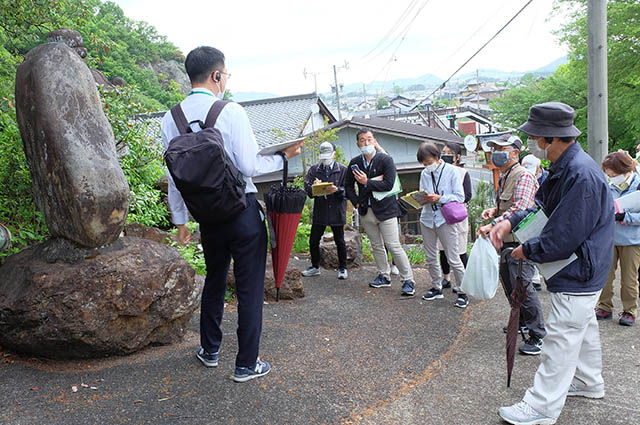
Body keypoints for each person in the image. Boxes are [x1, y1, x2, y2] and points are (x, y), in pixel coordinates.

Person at [161, 46, 302, 382]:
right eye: (226, 75)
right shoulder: (230, 111)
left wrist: (180, 221)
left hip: (207, 218)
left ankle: (209, 350)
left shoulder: (171, 118)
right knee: (249, 288)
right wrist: (284, 157)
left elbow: (173, 177)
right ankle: (245, 364)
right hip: (242, 214)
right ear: (217, 76)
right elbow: (250, 165)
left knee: (214, 279)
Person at [491, 102, 614, 425]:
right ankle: (589, 382)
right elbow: (540, 209)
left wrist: (526, 251)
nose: (533, 142)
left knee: (561, 337)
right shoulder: (566, 166)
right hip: (582, 265)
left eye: (535, 136)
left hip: (578, 267)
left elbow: (563, 235)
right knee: (581, 328)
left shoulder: (580, 174)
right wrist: (510, 222)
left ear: (549, 137)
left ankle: (541, 406)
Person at [478, 134, 546, 355]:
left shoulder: (523, 175)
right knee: (509, 284)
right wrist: (494, 211)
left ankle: (538, 335)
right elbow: (509, 204)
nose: (496, 151)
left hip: (519, 241)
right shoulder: (506, 175)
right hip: (506, 241)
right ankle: (523, 322)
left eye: (500, 148)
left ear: (515, 153)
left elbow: (521, 208)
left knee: (523, 286)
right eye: (494, 148)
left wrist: (494, 225)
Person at [345, 128, 416, 296]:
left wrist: (366, 182)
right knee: (376, 245)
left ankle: (408, 280)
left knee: (393, 245)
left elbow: (389, 184)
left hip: (387, 210)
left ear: (374, 140)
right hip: (365, 209)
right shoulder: (355, 163)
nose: (366, 143)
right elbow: (348, 185)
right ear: (358, 144)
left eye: (369, 139)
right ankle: (384, 275)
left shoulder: (385, 160)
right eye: (362, 140)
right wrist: (355, 201)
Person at [418, 142, 469, 308]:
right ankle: (436, 286)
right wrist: (422, 198)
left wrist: (439, 198)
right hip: (427, 217)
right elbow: (422, 193)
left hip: (444, 218)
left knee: (453, 257)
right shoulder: (424, 173)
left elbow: (460, 197)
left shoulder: (452, 171)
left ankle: (463, 291)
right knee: (430, 256)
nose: (427, 166)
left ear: (437, 157)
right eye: (424, 164)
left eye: (429, 162)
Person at [596, 151, 639, 326]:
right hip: (609, 238)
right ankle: (604, 307)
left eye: (614, 175)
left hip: (632, 241)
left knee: (629, 280)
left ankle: (629, 311)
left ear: (625, 170)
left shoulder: (638, 186)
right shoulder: (608, 185)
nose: (611, 178)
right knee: (605, 276)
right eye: (608, 175)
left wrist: (624, 217)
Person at [302, 142, 349, 280]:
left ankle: (343, 268)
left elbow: (348, 190)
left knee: (340, 240)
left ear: (334, 154)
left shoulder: (343, 170)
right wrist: (314, 188)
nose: (325, 159)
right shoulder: (314, 170)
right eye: (323, 156)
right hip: (320, 209)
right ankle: (315, 266)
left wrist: (337, 190)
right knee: (313, 239)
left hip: (337, 209)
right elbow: (308, 188)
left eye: (328, 156)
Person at [438, 142, 472, 291]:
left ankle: (466, 279)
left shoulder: (463, 173)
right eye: (443, 152)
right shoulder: (438, 171)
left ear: (457, 157)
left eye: (449, 153)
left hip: (457, 215)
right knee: (442, 248)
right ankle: (446, 278)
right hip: (441, 215)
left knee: (460, 249)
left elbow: (467, 195)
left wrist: (447, 199)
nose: (445, 155)